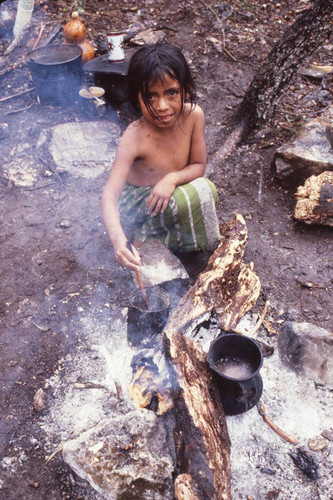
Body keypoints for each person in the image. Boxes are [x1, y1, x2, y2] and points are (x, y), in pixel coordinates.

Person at [101, 42, 221, 271]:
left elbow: (198, 165)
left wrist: (171, 179)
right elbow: (109, 195)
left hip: (169, 193)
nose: (162, 106)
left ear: (186, 89)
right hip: (139, 204)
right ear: (136, 96)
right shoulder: (134, 136)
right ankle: (142, 242)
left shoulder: (194, 116)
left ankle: (179, 245)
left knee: (207, 190)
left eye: (171, 93)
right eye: (151, 96)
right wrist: (118, 240)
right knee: (184, 199)